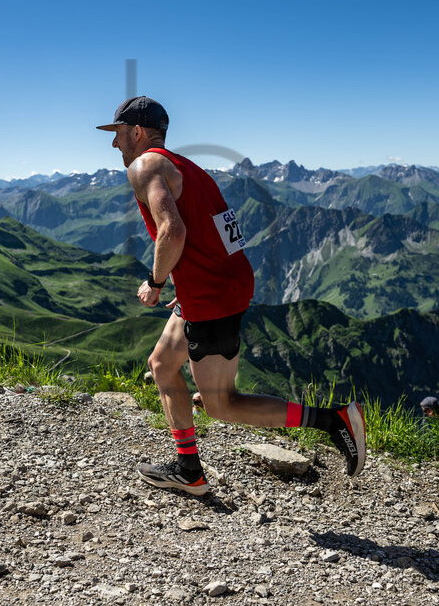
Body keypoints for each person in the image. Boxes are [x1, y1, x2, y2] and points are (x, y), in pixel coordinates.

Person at [98, 96, 366, 495]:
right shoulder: (187, 168)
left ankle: (333, 420)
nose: (114, 144)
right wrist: (189, 282)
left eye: (118, 134)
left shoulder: (144, 166)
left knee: (223, 404)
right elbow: (223, 228)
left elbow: (173, 231)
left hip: (213, 294)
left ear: (137, 132)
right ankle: (189, 469)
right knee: (161, 364)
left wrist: (156, 283)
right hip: (221, 284)